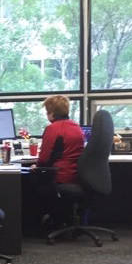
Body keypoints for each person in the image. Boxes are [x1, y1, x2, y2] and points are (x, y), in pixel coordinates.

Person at [31, 94, 85, 228]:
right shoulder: (76, 126)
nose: (47, 115)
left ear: (52, 113)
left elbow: (44, 159)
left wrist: (35, 166)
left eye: (47, 112)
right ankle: (59, 219)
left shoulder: (53, 128)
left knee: (28, 181)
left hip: (60, 176)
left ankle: (34, 225)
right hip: (75, 175)